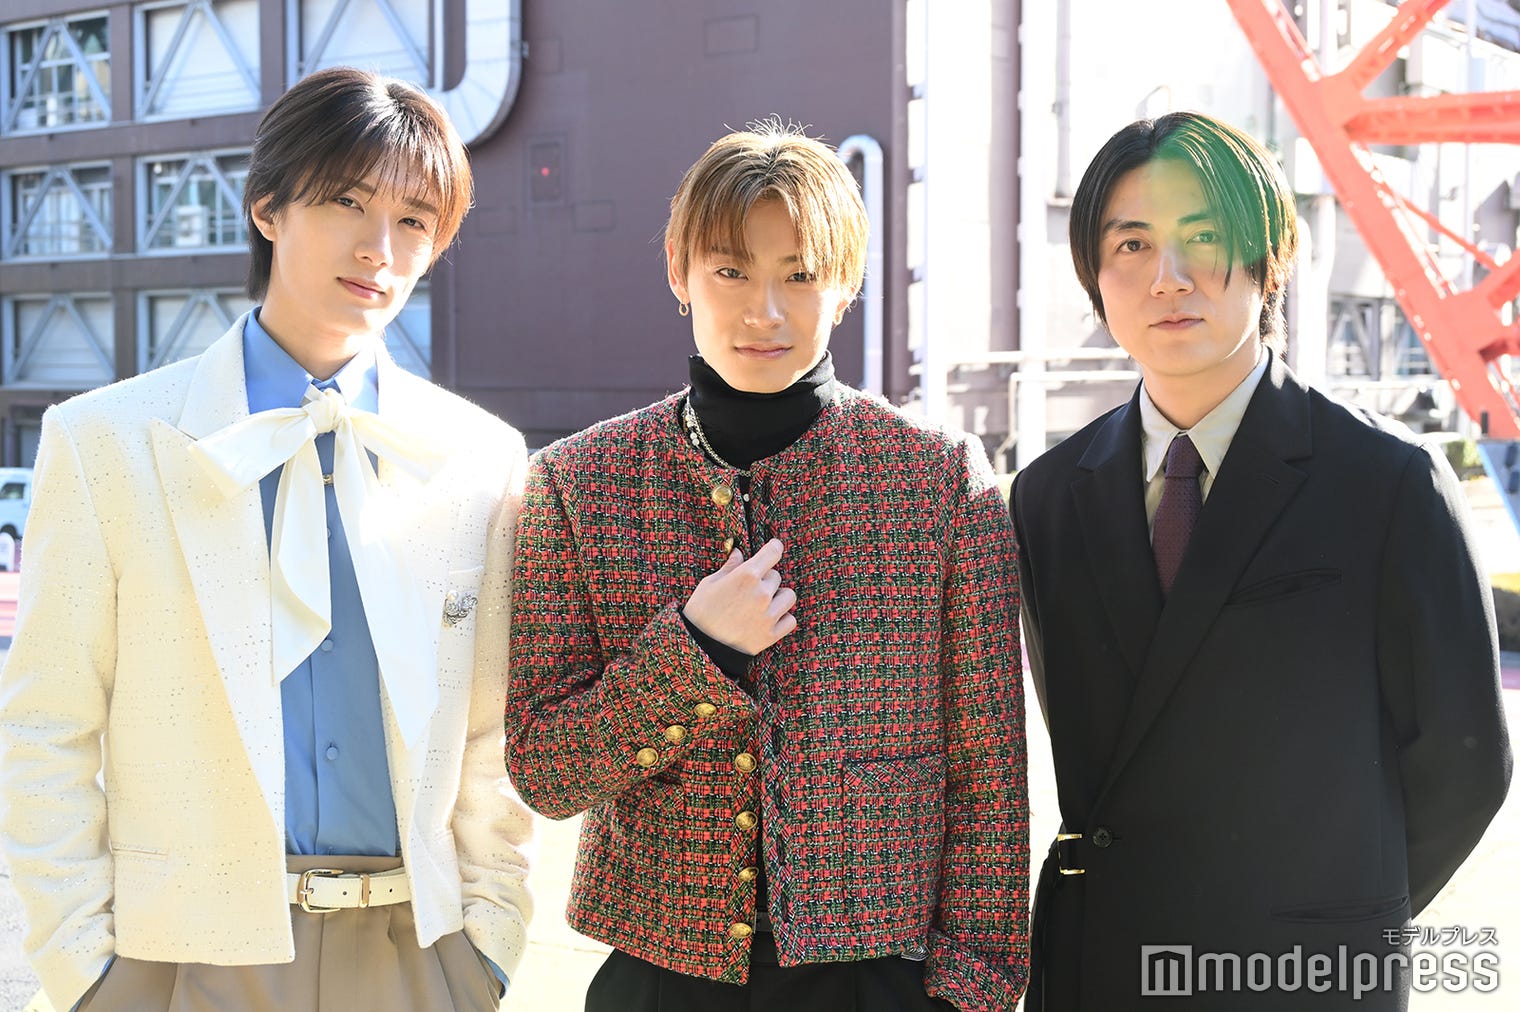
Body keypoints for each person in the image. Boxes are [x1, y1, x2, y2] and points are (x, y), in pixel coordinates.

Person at [0, 67, 532, 1012]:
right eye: (347, 201)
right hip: (177, 958)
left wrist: (485, 948)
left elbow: (492, 734)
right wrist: (87, 970)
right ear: (267, 207)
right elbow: (45, 726)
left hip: (416, 952)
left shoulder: (479, 458)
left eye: (414, 219)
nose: (379, 248)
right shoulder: (106, 442)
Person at [504, 121, 1029, 1011]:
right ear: (679, 271)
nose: (765, 311)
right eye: (731, 271)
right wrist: (696, 651)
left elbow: (990, 773)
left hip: (879, 975)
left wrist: (972, 991)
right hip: (660, 975)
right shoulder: (578, 483)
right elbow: (546, 772)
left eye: (800, 274)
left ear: (847, 282)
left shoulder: (939, 480)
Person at [1010, 110, 1511, 1010]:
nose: (1168, 277)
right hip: (1103, 966)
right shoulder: (1048, 497)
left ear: (1267, 258)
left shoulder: (1387, 482)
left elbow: (1463, 765)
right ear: (1094, 275)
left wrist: (1331, 923)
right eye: (1132, 244)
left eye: (1204, 237)